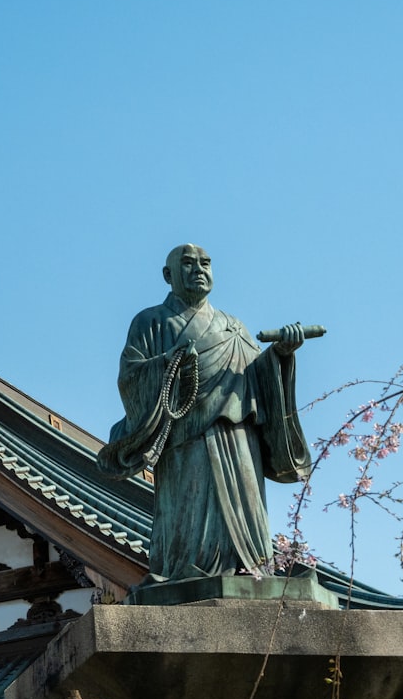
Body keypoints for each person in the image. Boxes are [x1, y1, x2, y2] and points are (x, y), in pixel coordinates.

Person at [97, 244, 310, 581]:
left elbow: (257, 377)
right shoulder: (150, 322)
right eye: (187, 263)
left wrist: (281, 355)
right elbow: (131, 376)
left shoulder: (233, 327)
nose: (198, 269)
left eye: (205, 263)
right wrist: (171, 364)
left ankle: (251, 569)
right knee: (188, 513)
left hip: (240, 437)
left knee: (246, 510)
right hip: (186, 436)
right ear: (168, 276)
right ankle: (184, 572)